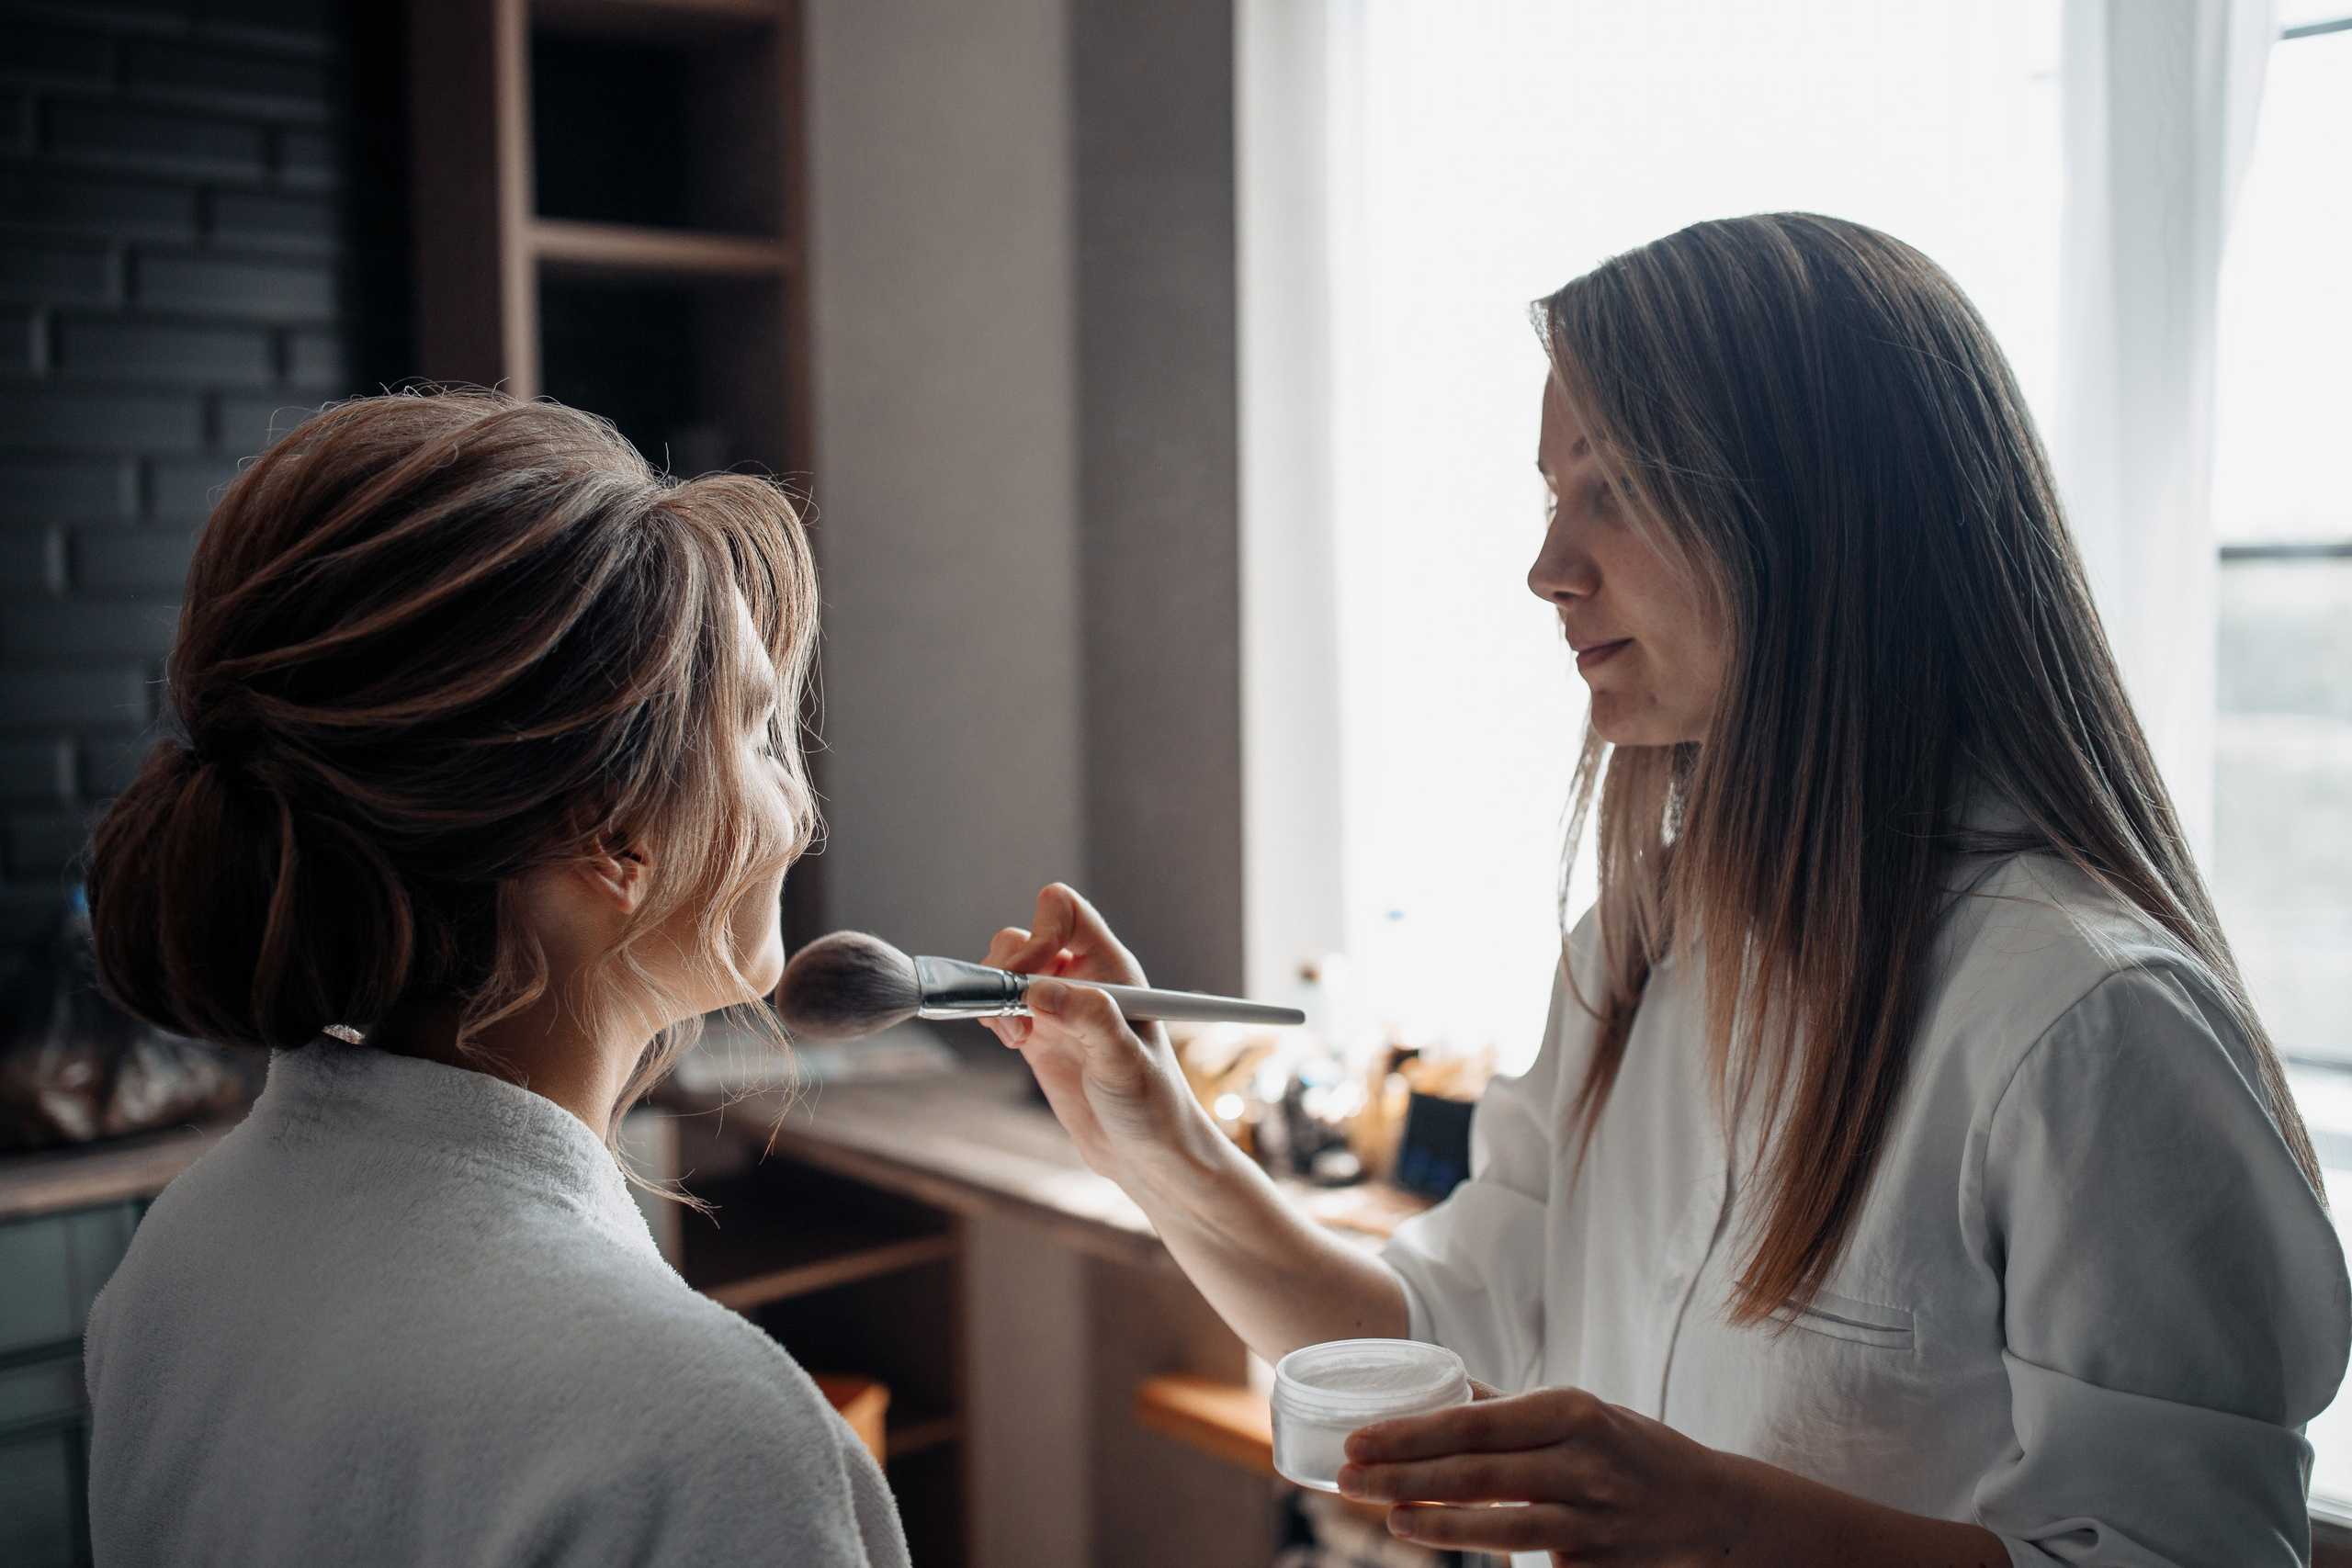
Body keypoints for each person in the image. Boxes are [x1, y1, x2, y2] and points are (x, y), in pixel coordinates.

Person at [981, 214, 2350, 1565]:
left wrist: (1722, 1518)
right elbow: (1437, 1335)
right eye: (1553, 494)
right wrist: (1151, 1137)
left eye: (1613, 488)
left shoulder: (2087, 1027)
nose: (1546, 569)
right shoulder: (1641, 950)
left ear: (1815, 514)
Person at [80, 391, 908, 1568]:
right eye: (761, 733)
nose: (799, 820)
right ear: (612, 832)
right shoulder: (709, 1438)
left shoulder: (183, 1253)